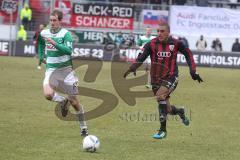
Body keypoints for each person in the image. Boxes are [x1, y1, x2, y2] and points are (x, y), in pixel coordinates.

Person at [124, 22, 203, 139]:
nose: (159, 33)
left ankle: (162, 130)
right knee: (168, 109)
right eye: (158, 31)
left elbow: (188, 54)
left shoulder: (176, 43)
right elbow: (141, 57)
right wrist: (132, 68)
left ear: (168, 32)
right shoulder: (151, 44)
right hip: (156, 79)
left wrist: (193, 71)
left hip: (171, 76)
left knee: (160, 96)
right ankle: (180, 111)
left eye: (162, 31)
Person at [37, 9, 88, 137]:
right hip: (51, 69)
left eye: (55, 20)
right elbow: (40, 43)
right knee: (48, 94)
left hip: (66, 70)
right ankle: (62, 101)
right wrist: (41, 56)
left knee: (74, 103)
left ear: (60, 21)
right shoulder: (44, 33)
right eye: (51, 20)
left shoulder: (66, 34)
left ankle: (83, 128)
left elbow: (68, 51)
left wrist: (55, 44)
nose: (52, 23)